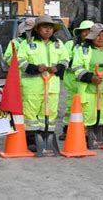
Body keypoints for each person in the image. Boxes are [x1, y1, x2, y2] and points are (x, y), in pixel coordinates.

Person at [17, 15, 69, 151]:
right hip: (32, 87)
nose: (48, 30)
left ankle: (47, 138)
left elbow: (65, 60)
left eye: (50, 27)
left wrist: (58, 68)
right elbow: (20, 61)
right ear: (38, 29)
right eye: (45, 27)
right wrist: (35, 68)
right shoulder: (26, 44)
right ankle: (31, 141)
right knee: (30, 115)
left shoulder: (58, 44)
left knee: (50, 114)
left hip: (52, 86)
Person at [60, 20, 93, 140]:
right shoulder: (71, 44)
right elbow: (64, 59)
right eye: (85, 31)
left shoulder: (94, 46)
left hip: (87, 82)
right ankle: (67, 128)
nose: (87, 33)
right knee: (71, 106)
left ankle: (83, 129)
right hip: (72, 81)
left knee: (87, 106)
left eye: (90, 31)